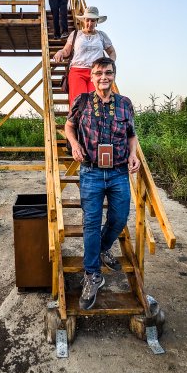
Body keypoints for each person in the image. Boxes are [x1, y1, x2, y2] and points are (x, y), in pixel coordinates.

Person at [64, 57, 140, 310]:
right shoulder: (82, 101)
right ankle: (92, 275)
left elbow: (131, 135)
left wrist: (133, 155)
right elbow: (69, 126)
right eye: (98, 73)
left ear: (114, 75)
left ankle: (103, 248)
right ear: (92, 76)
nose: (103, 77)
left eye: (108, 72)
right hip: (91, 172)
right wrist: (74, 144)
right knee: (91, 223)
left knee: (119, 218)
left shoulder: (125, 104)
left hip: (119, 172)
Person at [53, 6, 117, 107]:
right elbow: (66, 51)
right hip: (77, 71)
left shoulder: (101, 35)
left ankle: (95, 123)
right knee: (78, 102)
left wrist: (109, 64)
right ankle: (76, 123)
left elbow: (112, 52)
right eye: (87, 20)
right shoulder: (75, 34)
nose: (90, 23)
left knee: (97, 102)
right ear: (84, 20)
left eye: (92, 21)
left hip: (96, 73)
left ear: (96, 21)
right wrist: (60, 52)